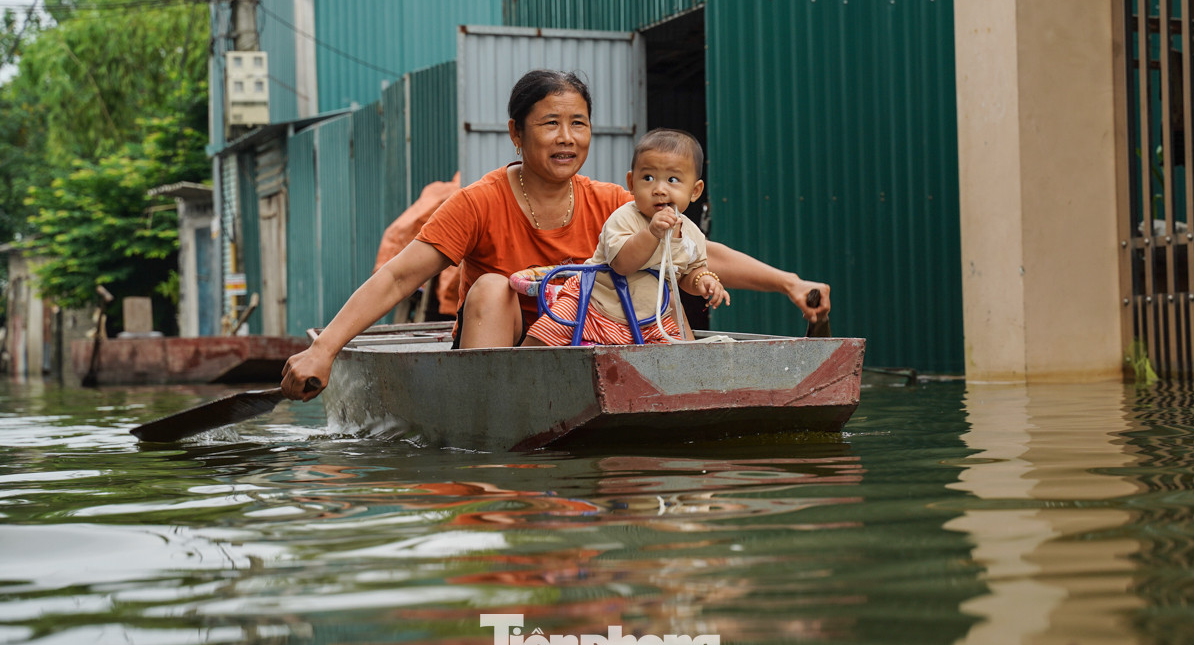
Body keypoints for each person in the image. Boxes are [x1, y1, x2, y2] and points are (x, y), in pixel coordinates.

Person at [280, 69, 831, 401]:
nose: (567, 138)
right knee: (495, 286)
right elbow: (399, 275)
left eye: (579, 123)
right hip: (505, 362)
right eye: (550, 124)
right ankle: (491, 422)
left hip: (591, 358)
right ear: (517, 134)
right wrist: (324, 349)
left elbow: (699, 250)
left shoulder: (614, 203)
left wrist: (787, 283)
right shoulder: (478, 201)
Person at [523, 128, 728, 346]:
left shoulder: (692, 234)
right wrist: (651, 234)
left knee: (676, 358)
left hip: (650, 319)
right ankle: (521, 371)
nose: (659, 189)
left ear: (695, 191)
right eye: (648, 178)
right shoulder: (624, 217)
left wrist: (703, 281)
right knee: (546, 335)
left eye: (673, 179)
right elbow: (622, 264)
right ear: (631, 183)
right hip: (593, 303)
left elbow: (688, 273)